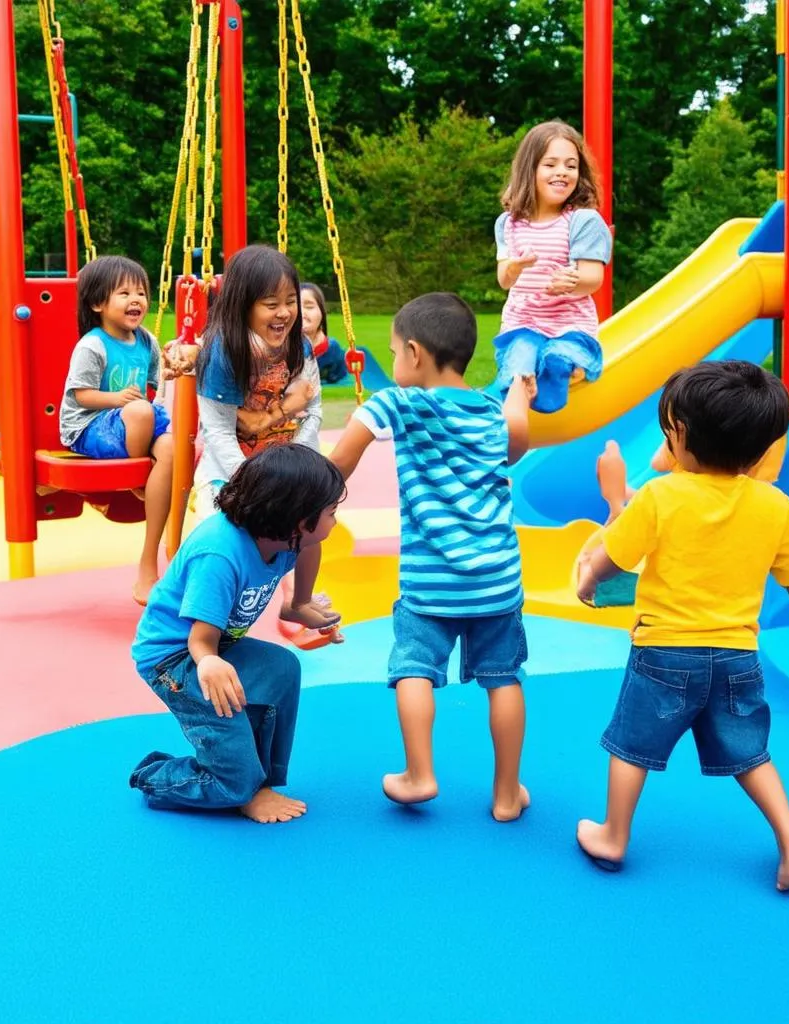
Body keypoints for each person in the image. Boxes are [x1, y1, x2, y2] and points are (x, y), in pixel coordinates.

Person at [576, 360, 789, 890]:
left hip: (664, 652)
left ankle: (613, 834)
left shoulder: (660, 496)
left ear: (681, 438)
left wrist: (589, 579)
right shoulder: (774, 507)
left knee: (631, 746)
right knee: (749, 752)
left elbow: (611, 556)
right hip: (735, 658)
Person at [329, 292, 538, 821]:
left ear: (415, 354)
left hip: (430, 583)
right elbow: (515, 445)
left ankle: (420, 774)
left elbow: (340, 460)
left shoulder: (397, 403)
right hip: (496, 580)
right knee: (504, 679)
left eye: (397, 351)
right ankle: (507, 793)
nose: (395, 361)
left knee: (415, 670)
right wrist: (519, 399)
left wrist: (310, 507)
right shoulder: (492, 412)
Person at [129, 444, 345, 823]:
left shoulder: (293, 540)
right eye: (330, 513)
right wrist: (209, 662)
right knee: (231, 782)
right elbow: (200, 640)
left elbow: (306, 566)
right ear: (297, 521)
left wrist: (300, 608)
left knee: (282, 667)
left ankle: (255, 781)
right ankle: (158, 777)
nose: (335, 521)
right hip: (175, 657)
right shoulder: (219, 554)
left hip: (214, 646)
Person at [59, 255, 177, 606]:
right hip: (89, 426)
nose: (136, 300)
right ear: (98, 303)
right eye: (124, 293)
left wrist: (172, 366)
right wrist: (118, 399)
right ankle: (137, 480)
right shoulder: (92, 345)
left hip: (130, 424)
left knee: (172, 445)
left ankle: (149, 560)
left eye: (140, 292)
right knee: (140, 411)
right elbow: (80, 395)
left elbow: (155, 386)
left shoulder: (147, 342)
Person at [186, 245, 322, 520]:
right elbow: (220, 431)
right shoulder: (221, 352)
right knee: (222, 534)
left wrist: (296, 470)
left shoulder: (299, 345)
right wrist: (253, 484)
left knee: (313, 525)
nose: (284, 313)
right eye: (271, 305)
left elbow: (312, 411)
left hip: (289, 466)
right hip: (232, 473)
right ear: (243, 306)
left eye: (291, 301)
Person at [493, 120, 613, 412]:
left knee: (560, 352)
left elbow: (594, 277)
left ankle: (556, 370)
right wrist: (515, 267)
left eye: (571, 166)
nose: (562, 172)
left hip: (568, 324)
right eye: (551, 164)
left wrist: (572, 281)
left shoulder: (582, 221)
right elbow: (504, 280)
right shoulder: (508, 224)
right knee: (519, 357)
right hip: (523, 322)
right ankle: (519, 387)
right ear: (529, 170)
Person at [301, 282, 348, 383]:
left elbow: (341, 377)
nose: (302, 313)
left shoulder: (333, 349)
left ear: (322, 311)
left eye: (309, 307)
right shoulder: (280, 350)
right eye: (295, 307)